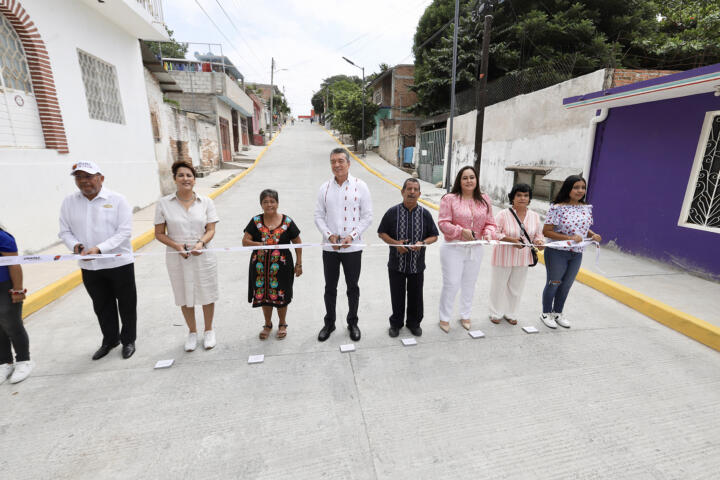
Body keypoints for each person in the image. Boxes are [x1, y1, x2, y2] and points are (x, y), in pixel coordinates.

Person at [59, 161, 137, 360]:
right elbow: (64, 231)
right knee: (101, 305)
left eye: (88, 176)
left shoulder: (118, 200)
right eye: (79, 177)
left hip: (118, 263)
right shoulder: (69, 202)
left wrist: (100, 248)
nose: (84, 181)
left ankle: (128, 340)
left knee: (126, 304)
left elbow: (125, 232)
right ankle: (110, 340)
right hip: (89, 265)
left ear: (100, 178)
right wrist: (75, 246)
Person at [154, 161, 219, 351]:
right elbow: (159, 233)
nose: (185, 179)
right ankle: (192, 332)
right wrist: (176, 245)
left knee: (207, 292)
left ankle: (209, 330)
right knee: (183, 294)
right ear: (174, 179)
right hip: (177, 256)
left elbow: (211, 229)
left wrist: (201, 243)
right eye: (181, 175)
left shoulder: (206, 202)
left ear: (194, 180)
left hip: (203, 254)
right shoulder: (164, 204)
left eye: (189, 175)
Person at [314, 147, 372, 342]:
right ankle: (329, 323)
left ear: (348, 163)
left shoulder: (360, 186)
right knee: (330, 287)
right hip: (330, 248)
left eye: (340, 161)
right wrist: (329, 236)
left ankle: (352, 322)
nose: (336, 165)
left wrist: (352, 236)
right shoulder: (325, 188)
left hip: (352, 248)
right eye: (333, 161)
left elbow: (367, 216)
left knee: (352, 287)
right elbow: (318, 216)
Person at [438, 165, 498, 333]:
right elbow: (443, 223)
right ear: (459, 180)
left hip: (476, 248)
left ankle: (465, 314)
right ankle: (444, 317)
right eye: (465, 178)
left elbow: (491, 223)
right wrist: (460, 232)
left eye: (472, 177)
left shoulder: (485, 199)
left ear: (476, 180)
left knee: (469, 284)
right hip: (453, 247)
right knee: (451, 283)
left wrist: (488, 233)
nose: (469, 181)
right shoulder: (449, 199)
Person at [377, 178, 438, 337]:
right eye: (409, 189)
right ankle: (396, 324)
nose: (412, 192)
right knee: (397, 296)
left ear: (419, 193)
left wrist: (423, 242)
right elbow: (381, 233)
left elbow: (434, 236)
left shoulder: (425, 214)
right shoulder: (392, 212)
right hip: (396, 264)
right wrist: (395, 243)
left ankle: (414, 323)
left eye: (415, 189)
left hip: (417, 265)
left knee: (416, 296)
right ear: (402, 191)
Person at [540, 175, 602, 329]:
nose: (580, 191)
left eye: (582, 187)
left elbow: (584, 229)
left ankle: (558, 313)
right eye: (576, 187)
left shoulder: (586, 208)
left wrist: (592, 235)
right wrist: (569, 238)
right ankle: (546, 313)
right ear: (568, 189)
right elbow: (546, 231)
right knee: (554, 283)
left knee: (566, 285)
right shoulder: (557, 208)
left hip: (577, 253)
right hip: (557, 252)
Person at [243, 189, 303, 340]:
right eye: (265, 202)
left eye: (272, 201)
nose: (269, 205)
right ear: (261, 204)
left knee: (281, 295)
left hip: (281, 268)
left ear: (277, 203)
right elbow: (245, 242)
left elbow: (297, 243)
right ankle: (267, 324)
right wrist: (260, 244)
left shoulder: (287, 222)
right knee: (263, 296)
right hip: (260, 268)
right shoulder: (256, 221)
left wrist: (299, 263)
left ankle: (282, 324)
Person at [488, 184, 544, 325]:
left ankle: (511, 313)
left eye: (526, 195)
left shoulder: (534, 216)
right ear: (512, 197)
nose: (522, 198)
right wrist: (511, 240)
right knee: (498, 286)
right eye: (519, 195)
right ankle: (496, 313)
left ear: (529, 199)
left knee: (516, 287)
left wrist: (539, 241)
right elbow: (493, 233)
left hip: (523, 257)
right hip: (503, 255)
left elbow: (538, 235)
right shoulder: (503, 214)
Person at [0, 225, 32, 384]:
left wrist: (18, 289)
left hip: (4, 285)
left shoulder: (3, 237)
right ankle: (4, 363)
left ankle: (23, 361)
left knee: (12, 325)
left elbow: (14, 264)